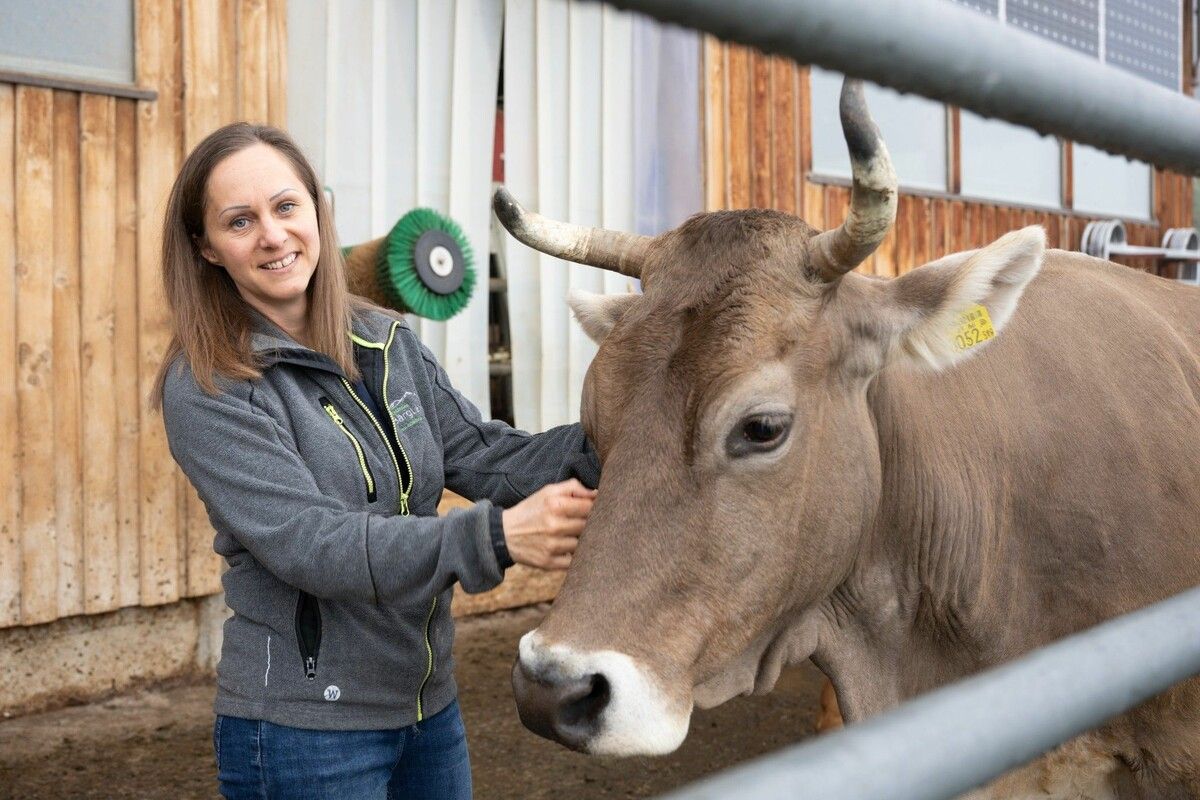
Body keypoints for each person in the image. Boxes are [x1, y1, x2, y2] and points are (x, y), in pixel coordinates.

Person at [152, 122, 600, 800]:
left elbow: (485, 457)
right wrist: (498, 536)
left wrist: (623, 438)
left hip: (428, 712)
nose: (272, 235)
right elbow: (314, 545)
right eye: (239, 221)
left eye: (285, 206)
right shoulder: (210, 385)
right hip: (305, 735)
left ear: (318, 212)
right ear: (207, 249)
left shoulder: (385, 342)